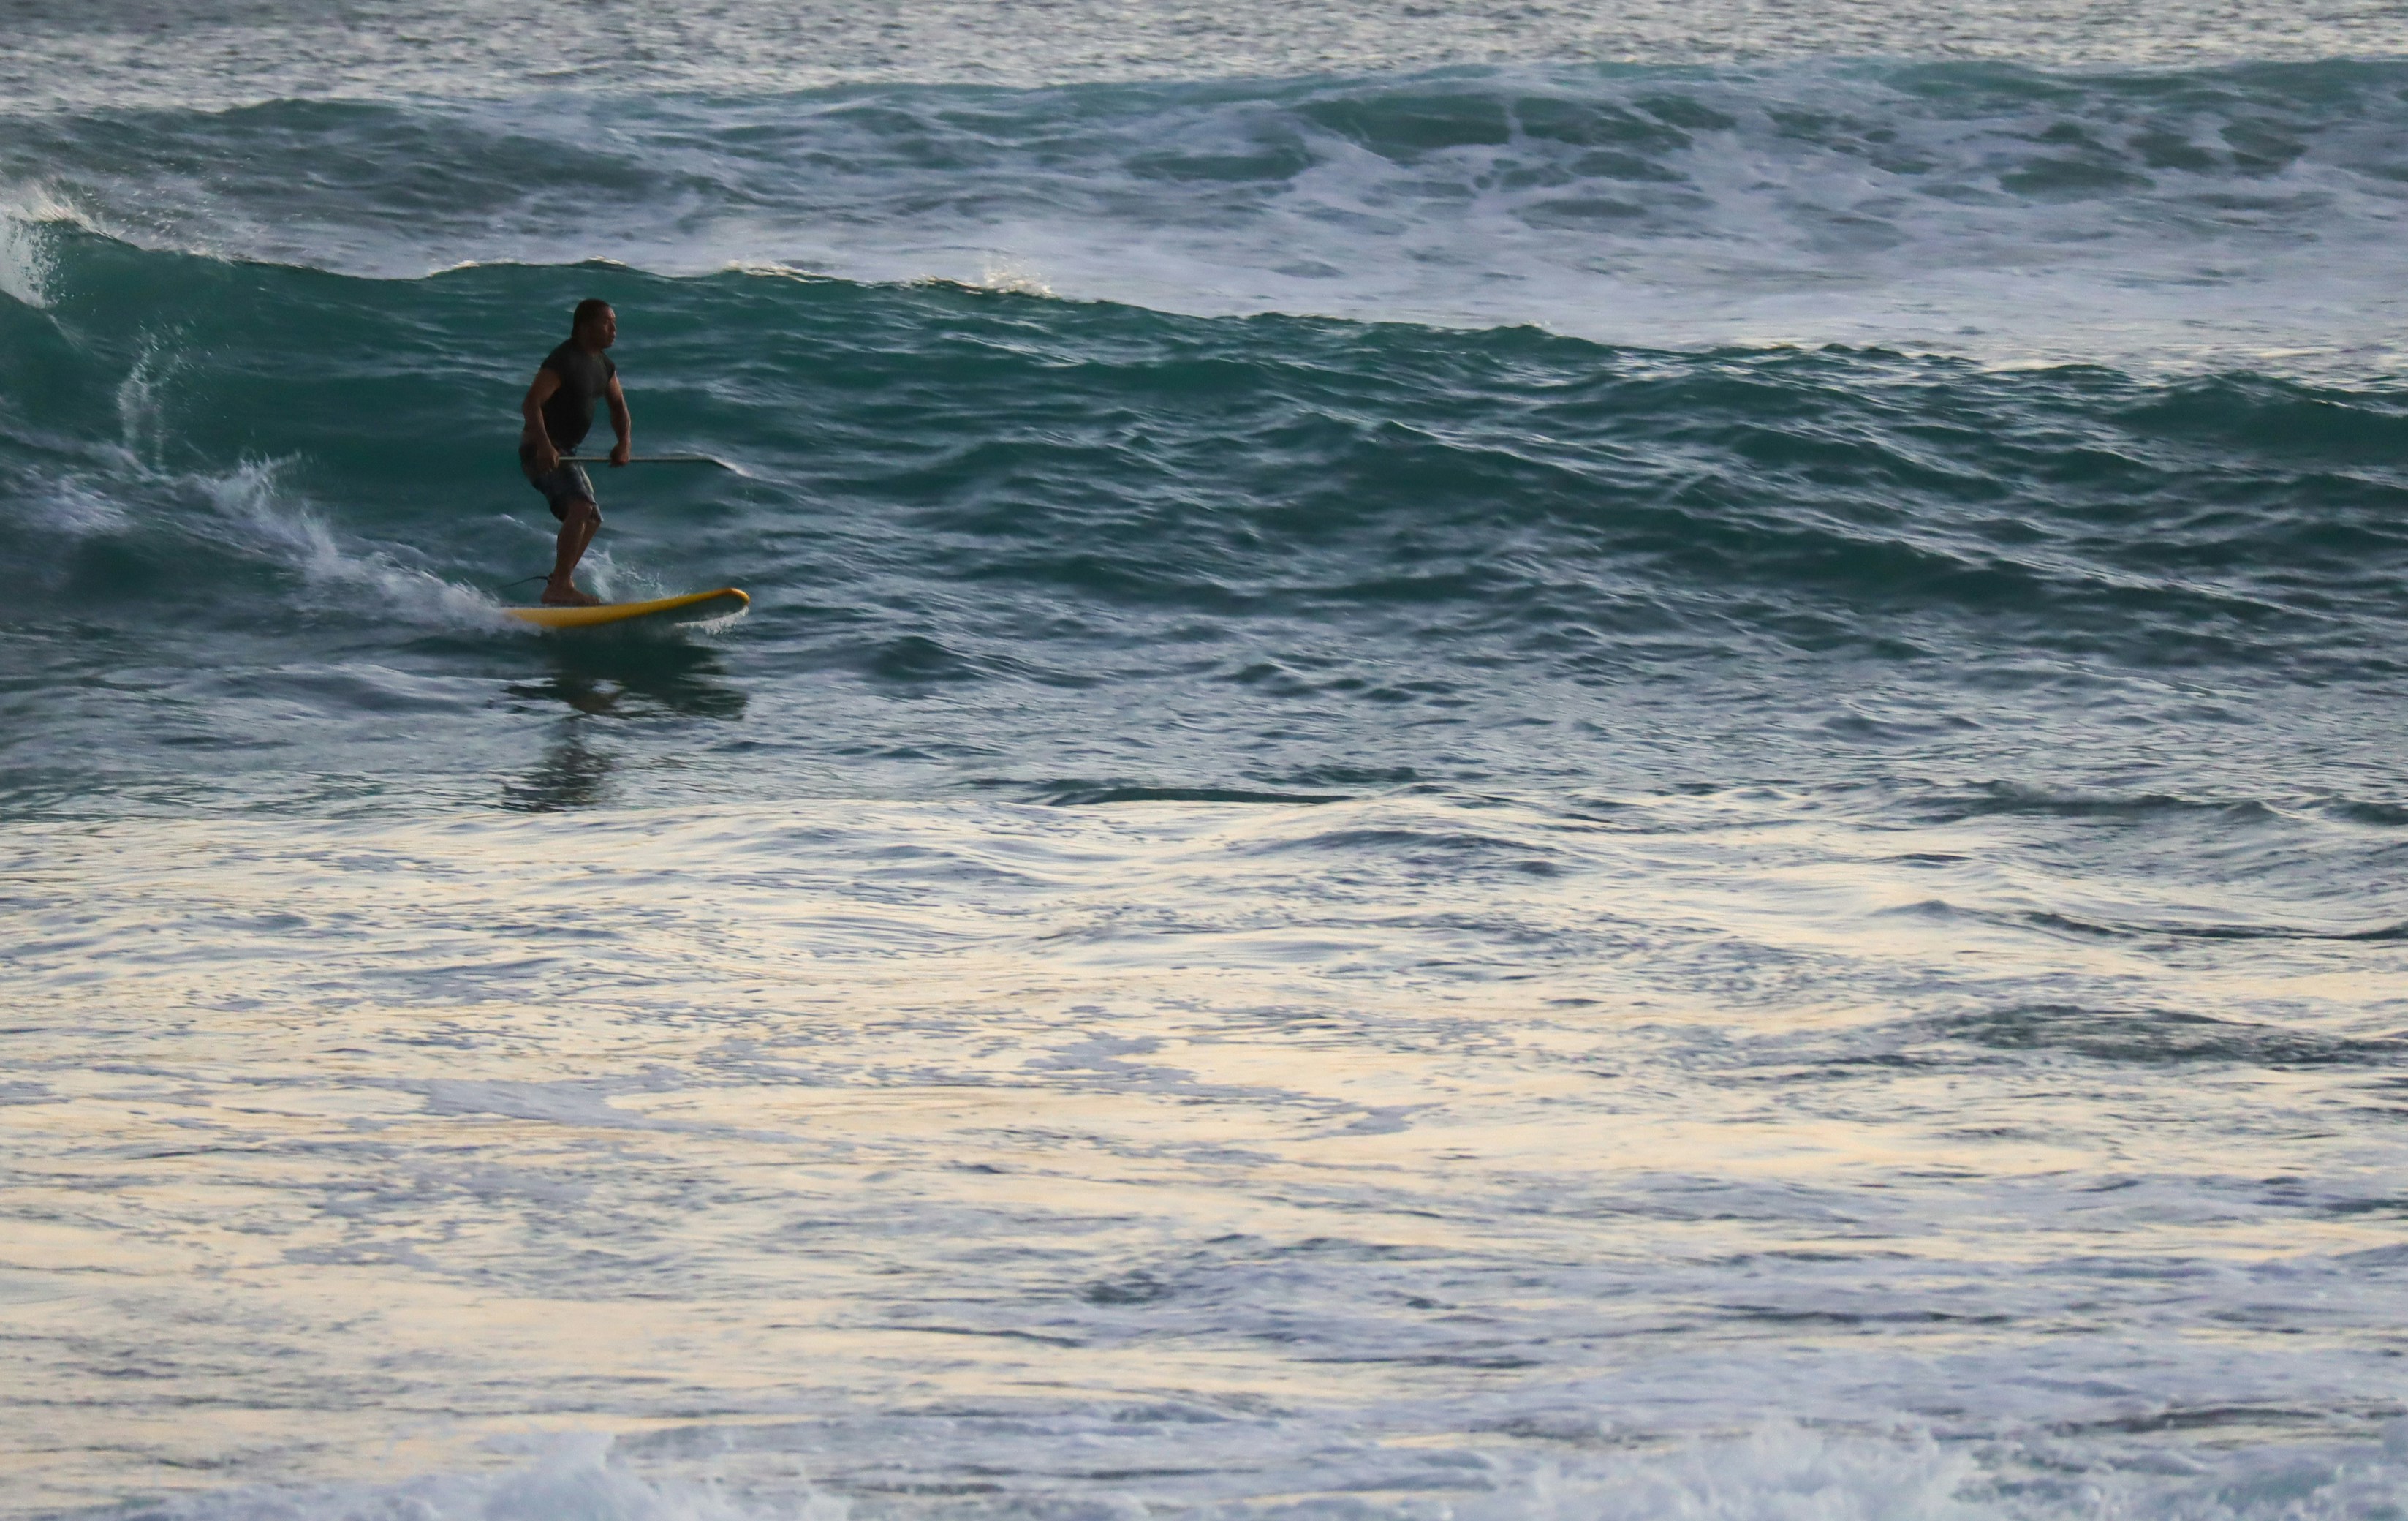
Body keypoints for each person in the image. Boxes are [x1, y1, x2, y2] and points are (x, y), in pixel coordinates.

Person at [520, 298, 631, 605]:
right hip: (540, 449)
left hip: (567, 451)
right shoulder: (564, 360)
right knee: (580, 507)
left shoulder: (604, 365)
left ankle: (558, 582)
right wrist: (543, 444)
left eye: (615, 323)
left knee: (592, 517)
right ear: (585, 327)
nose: (614, 330)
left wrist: (624, 442)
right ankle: (561, 586)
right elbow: (531, 404)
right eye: (607, 323)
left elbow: (618, 406)